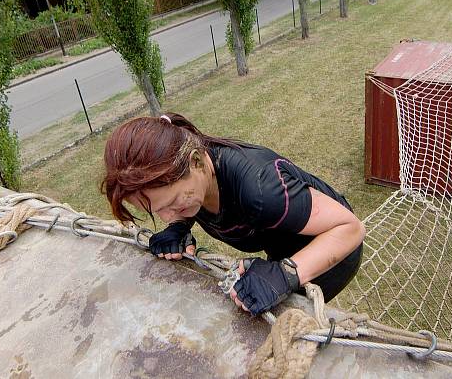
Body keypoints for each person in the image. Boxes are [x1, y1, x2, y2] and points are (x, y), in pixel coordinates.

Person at [102, 113, 366, 315]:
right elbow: (176, 202)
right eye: (156, 209)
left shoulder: (260, 191)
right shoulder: (189, 169)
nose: (166, 217)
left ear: (196, 162)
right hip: (281, 242)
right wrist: (179, 226)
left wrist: (287, 274)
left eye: (172, 203)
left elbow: (351, 228)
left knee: (290, 325)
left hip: (332, 246)